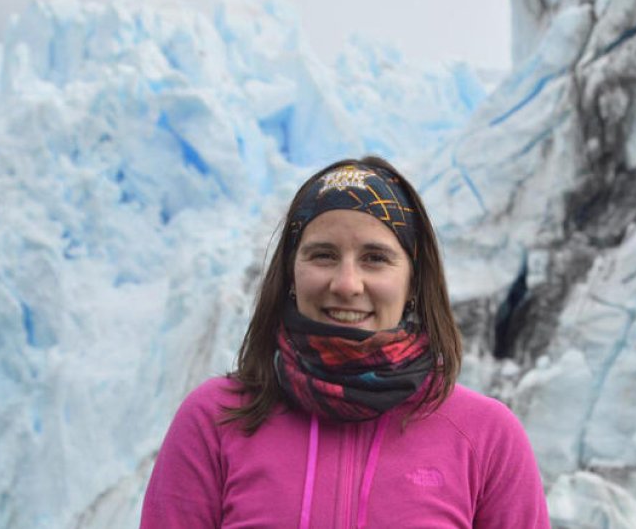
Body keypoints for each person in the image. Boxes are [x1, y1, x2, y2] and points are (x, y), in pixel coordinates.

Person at [140, 156, 550, 528]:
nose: (347, 284)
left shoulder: (485, 438)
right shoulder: (215, 420)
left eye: (375, 258)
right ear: (291, 274)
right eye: (323, 255)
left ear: (412, 280)